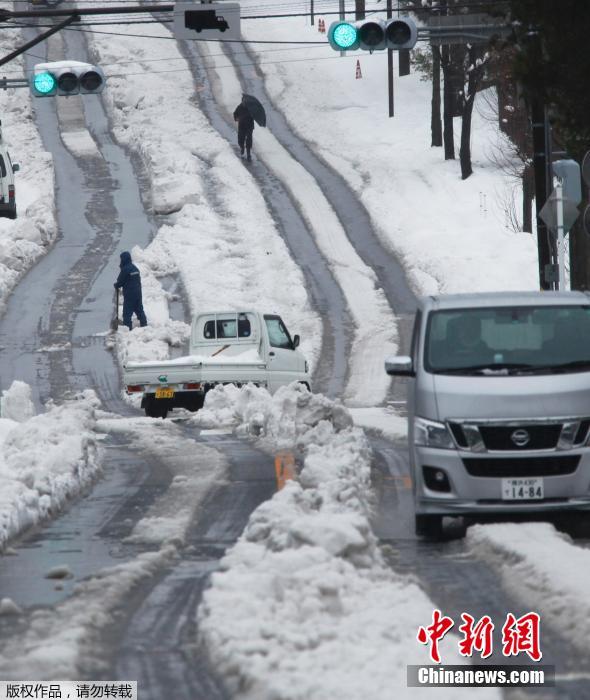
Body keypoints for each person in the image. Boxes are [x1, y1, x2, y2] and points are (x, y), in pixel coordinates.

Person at [114, 251, 147, 331]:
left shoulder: (125, 269)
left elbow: (120, 282)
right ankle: (144, 325)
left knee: (127, 313)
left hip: (130, 294)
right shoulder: (135, 268)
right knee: (139, 309)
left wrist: (116, 285)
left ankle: (127, 329)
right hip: (138, 293)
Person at [233, 97, 255, 161]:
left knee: (249, 139)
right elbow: (235, 114)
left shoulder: (251, 108)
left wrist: (253, 115)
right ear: (242, 101)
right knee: (241, 139)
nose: (244, 103)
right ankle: (242, 147)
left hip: (249, 126)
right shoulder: (239, 107)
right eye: (243, 101)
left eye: (245, 101)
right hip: (242, 126)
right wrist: (236, 118)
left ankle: (248, 154)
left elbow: (254, 116)